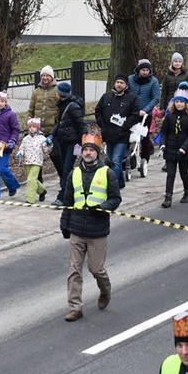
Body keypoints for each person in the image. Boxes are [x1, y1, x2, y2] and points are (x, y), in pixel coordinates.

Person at [59, 133, 121, 322]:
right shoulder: (73, 173)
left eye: (91, 150)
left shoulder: (108, 173)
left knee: (96, 269)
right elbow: (68, 200)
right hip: (77, 229)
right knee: (74, 270)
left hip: (97, 230)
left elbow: (115, 199)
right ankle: (75, 307)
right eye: (85, 150)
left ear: (97, 153)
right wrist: (64, 223)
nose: (87, 153)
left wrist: (103, 208)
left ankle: (105, 290)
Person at [94, 74, 140, 189]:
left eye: (122, 83)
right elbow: (98, 110)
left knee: (116, 160)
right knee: (110, 159)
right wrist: (102, 124)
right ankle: (120, 182)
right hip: (108, 134)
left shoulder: (132, 98)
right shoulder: (106, 97)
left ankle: (112, 185)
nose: (119, 84)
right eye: (118, 82)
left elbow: (135, 115)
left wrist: (125, 126)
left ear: (126, 85)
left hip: (122, 135)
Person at [49, 82, 87, 205]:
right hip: (63, 141)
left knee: (66, 170)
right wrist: (51, 135)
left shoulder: (73, 107)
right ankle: (73, 192)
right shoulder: (62, 105)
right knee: (67, 169)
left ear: (60, 94)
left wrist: (84, 142)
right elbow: (59, 123)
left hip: (73, 143)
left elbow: (81, 124)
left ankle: (63, 197)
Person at [159, 95, 188, 208]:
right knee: (170, 174)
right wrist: (162, 143)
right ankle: (168, 196)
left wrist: (184, 148)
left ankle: (187, 192)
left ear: (186, 104)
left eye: (181, 102)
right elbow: (164, 132)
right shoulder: (170, 116)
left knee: (183, 173)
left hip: (184, 150)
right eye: (177, 102)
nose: (179, 104)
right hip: (170, 148)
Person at [28, 65, 63, 188]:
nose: (45, 78)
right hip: (38, 132)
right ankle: (40, 187)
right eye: (43, 76)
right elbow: (31, 109)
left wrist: (57, 123)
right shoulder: (36, 91)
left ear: (52, 77)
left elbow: (60, 109)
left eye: (48, 75)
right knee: (36, 160)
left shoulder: (57, 90)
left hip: (52, 131)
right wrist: (29, 121)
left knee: (56, 157)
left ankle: (63, 179)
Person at [127, 58, 160, 163]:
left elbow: (156, 98)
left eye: (147, 70)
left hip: (146, 113)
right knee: (127, 134)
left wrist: (146, 110)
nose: (145, 72)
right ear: (138, 70)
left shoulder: (153, 81)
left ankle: (145, 158)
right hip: (132, 112)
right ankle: (126, 157)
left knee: (144, 137)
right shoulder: (130, 79)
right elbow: (127, 94)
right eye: (143, 70)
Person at [15, 118, 49, 204]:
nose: (32, 128)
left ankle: (30, 198)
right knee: (32, 179)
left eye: (34, 127)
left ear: (38, 128)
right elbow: (22, 148)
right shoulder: (26, 138)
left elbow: (46, 150)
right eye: (30, 127)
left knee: (31, 179)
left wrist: (48, 144)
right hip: (27, 161)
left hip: (37, 161)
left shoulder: (42, 138)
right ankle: (42, 190)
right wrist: (20, 153)